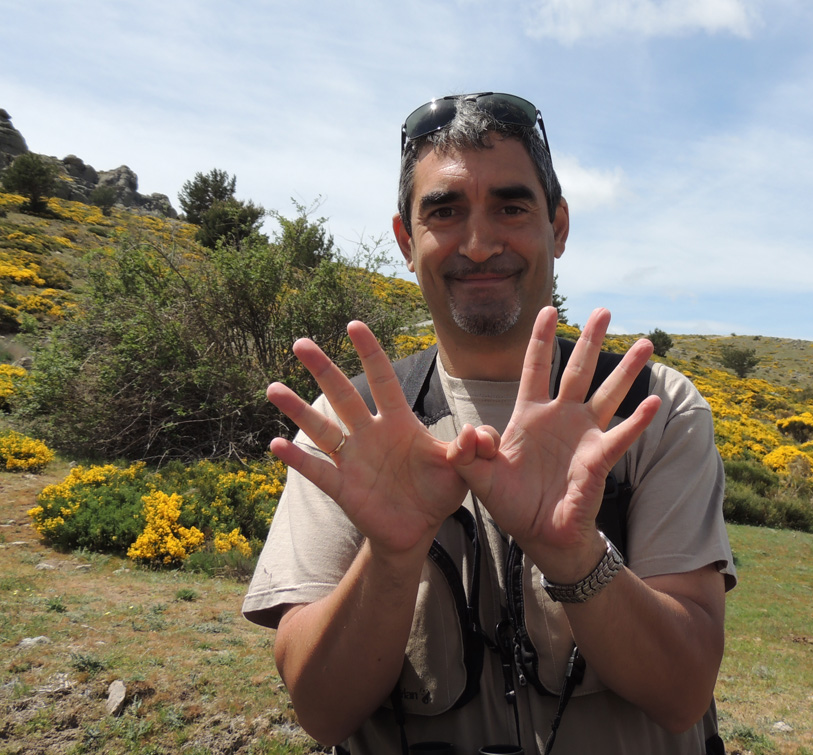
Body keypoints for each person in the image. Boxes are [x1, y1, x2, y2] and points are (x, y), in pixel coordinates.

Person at [243, 92, 736, 755]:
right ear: (405, 240)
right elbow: (322, 710)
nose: (478, 242)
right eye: (444, 211)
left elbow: (683, 691)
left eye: (511, 206)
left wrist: (575, 554)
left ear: (558, 226)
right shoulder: (347, 427)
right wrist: (390, 558)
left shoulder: (654, 409)